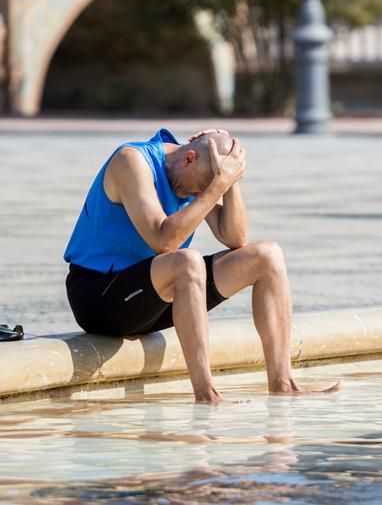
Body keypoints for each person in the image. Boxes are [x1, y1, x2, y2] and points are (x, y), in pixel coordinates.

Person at [63, 128, 341, 404]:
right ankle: (206, 393)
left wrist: (231, 180)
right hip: (99, 298)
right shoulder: (131, 161)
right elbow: (164, 241)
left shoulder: (195, 173)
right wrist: (216, 186)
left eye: (207, 188)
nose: (198, 194)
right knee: (187, 260)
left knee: (268, 256)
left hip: (154, 296)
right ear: (188, 158)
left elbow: (235, 237)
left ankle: (283, 383)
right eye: (201, 187)